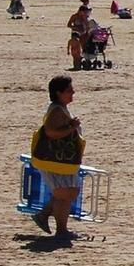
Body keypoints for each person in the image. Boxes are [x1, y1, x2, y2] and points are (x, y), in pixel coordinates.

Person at [31, 75, 85, 244]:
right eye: (69, 90)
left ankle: (45, 215)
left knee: (69, 192)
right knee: (64, 193)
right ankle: (61, 230)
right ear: (58, 93)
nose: (73, 93)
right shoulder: (56, 110)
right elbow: (50, 132)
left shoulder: (60, 108)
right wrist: (71, 127)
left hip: (62, 162)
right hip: (54, 161)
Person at [66, 3, 92, 68]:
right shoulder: (74, 16)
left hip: (84, 33)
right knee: (75, 49)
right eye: (84, 12)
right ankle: (76, 63)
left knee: (84, 47)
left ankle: (84, 61)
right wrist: (76, 27)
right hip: (76, 33)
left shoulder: (85, 17)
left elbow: (88, 26)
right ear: (80, 11)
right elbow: (68, 25)